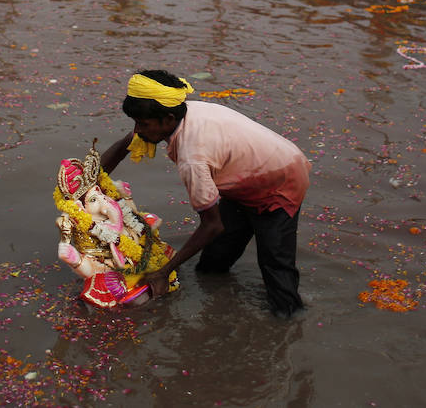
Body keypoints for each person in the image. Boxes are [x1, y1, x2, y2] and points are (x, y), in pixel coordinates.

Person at [98, 69, 311, 317]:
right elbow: (128, 143)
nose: (138, 130)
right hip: (246, 180)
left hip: (280, 182)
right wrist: (89, 179)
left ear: (167, 119)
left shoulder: (193, 158)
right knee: (213, 262)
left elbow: (212, 226)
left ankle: (289, 322)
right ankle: (220, 301)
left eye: (142, 124)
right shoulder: (182, 111)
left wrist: (163, 272)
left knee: (276, 266)